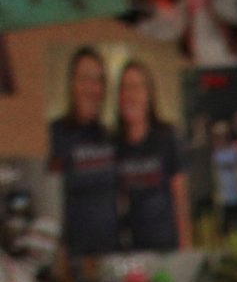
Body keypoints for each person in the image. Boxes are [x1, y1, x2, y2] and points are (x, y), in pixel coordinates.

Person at [47, 45, 117, 258]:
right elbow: (50, 201)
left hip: (113, 248)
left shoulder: (110, 136)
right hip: (75, 253)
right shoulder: (55, 133)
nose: (92, 88)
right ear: (72, 84)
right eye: (84, 78)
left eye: (98, 80)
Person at [112, 58, 188, 252]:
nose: (130, 94)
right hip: (133, 246)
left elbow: (179, 195)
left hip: (166, 243)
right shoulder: (115, 143)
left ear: (149, 94)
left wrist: (185, 245)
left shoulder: (167, 135)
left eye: (137, 87)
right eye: (125, 88)